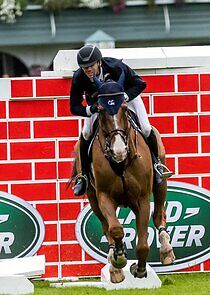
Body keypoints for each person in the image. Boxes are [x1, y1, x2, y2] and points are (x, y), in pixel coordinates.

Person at [70, 44, 172, 196]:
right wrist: (90, 110)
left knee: (145, 128)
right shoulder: (79, 77)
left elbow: (140, 83)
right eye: (85, 68)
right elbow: (74, 106)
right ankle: (83, 176)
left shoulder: (116, 66)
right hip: (100, 105)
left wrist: (124, 96)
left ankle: (157, 165)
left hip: (127, 99)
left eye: (91, 66)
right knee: (85, 133)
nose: (88, 70)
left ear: (99, 62)